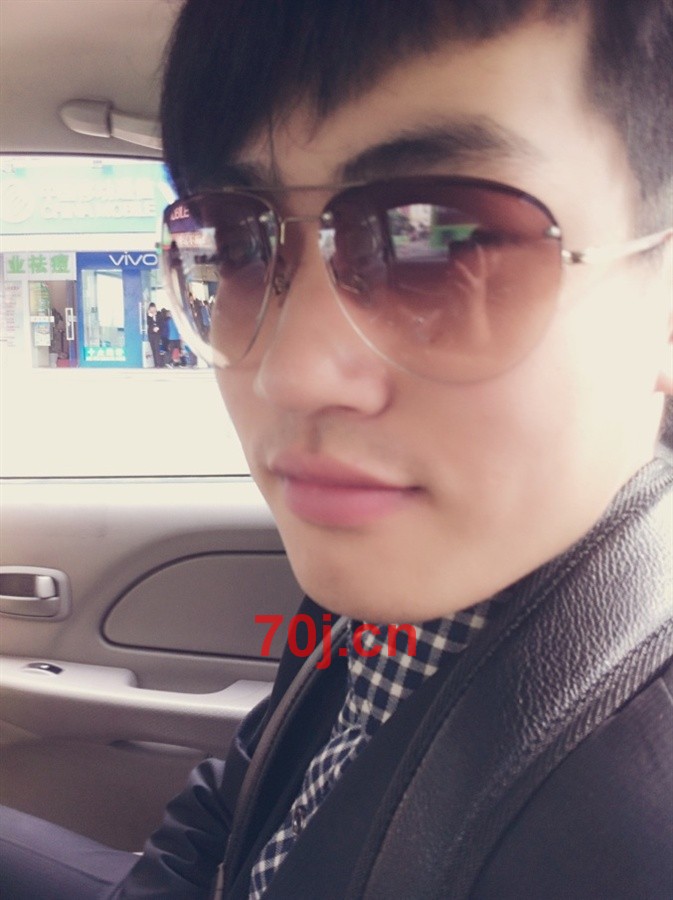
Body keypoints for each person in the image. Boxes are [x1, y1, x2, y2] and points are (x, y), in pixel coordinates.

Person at [2, 0, 672, 897]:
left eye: (441, 242)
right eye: (235, 248)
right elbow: (236, 805)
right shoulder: (392, 567)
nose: (289, 374)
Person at [146, 301, 164, 368]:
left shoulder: (159, 314)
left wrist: (158, 327)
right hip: (151, 334)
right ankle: (156, 364)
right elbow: (149, 323)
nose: (152, 309)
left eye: (153, 308)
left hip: (157, 334)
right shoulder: (148, 316)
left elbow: (162, 323)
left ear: (156, 308)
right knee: (153, 348)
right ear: (149, 309)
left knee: (157, 348)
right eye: (151, 308)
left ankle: (159, 364)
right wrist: (150, 316)